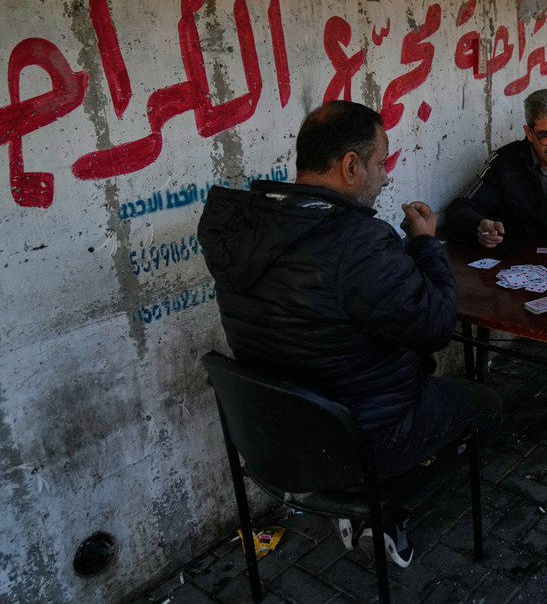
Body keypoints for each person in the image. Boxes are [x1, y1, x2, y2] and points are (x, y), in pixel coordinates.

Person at [198, 100, 502, 568]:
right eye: (381, 163)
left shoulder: (241, 225)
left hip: (272, 437)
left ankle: (366, 503)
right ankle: (381, 506)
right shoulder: (357, 242)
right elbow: (437, 326)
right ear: (351, 166)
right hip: (360, 439)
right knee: (486, 405)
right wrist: (424, 243)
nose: (385, 176)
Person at [446, 88, 547, 443]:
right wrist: (480, 227)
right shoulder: (504, 162)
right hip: (514, 265)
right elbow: (462, 207)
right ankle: (479, 406)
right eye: (546, 134)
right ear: (528, 132)